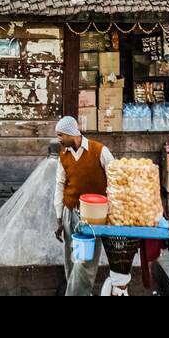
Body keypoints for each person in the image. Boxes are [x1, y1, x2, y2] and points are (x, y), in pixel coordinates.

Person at [52, 115, 114, 297]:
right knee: (71, 259)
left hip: (93, 217)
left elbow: (115, 178)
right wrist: (58, 218)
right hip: (70, 213)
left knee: (86, 262)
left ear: (72, 134)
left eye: (60, 135)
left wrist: (111, 210)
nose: (59, 139)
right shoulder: (63, 157)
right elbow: (59, 186)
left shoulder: (99, 151)